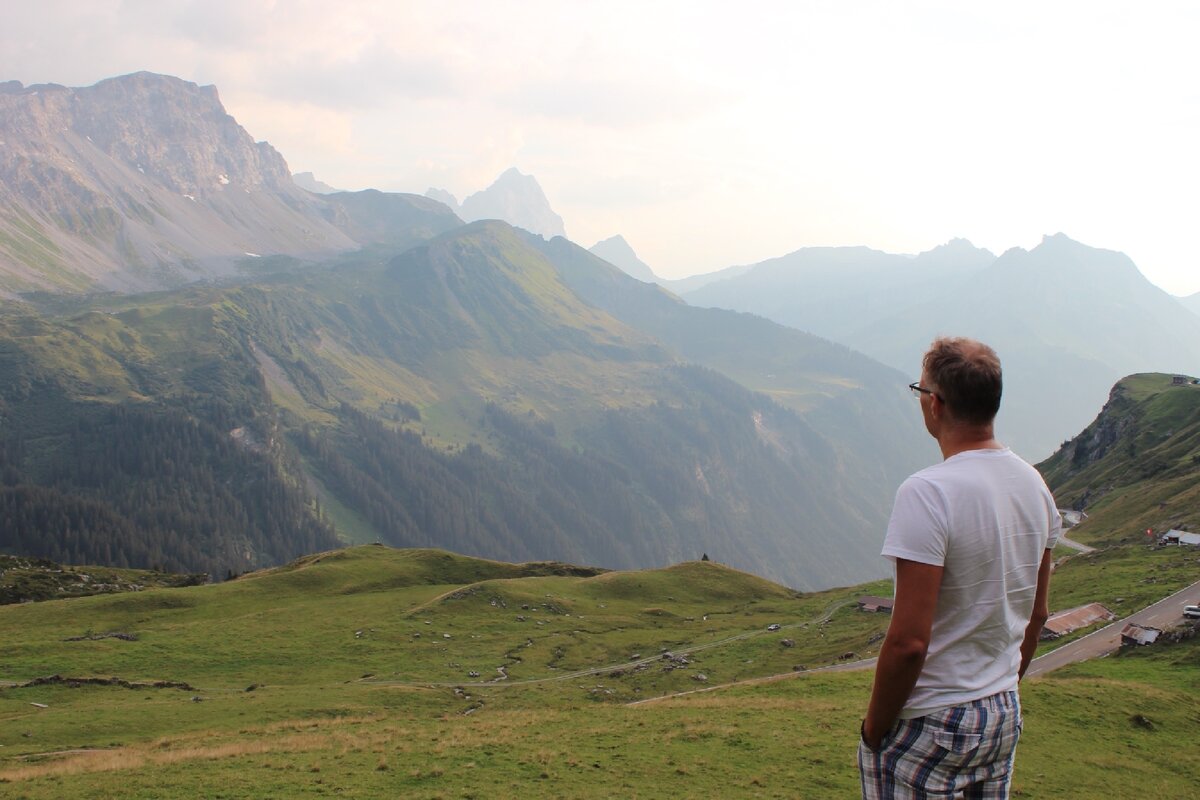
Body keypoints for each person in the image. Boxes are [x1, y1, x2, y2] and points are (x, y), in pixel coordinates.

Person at [858, 337, 1060, 799]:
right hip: (1003, 712)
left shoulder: (928, 492)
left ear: (935, 404)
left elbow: (909, 642)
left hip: (932, 719)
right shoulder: (1035, 486)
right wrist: (1002, 685)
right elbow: (1039, 614)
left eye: (920, 391)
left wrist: (874, 729)